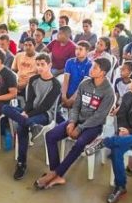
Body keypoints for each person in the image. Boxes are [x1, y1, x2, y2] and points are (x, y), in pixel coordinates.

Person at [86, 69, 132, 203]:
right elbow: (121, 116)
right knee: (116, 151)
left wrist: (130, 132)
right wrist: (123, 129)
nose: (130, 85)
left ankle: (106, 141)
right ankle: (120, 186)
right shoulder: (128, 96)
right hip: (124, 135)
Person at [38, 58, 114, 189]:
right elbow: (76, 105)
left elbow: (99, 116)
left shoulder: (108, 92)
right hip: (77, 119)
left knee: (80, 143)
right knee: (50, 135)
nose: (91, 69)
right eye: (92, 67)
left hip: (94, 126)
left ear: (103, 73)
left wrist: (80, 128)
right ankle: (56, 172)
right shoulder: (85, 83)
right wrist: (72, 122)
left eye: (95, 68)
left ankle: (55, 174)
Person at [2, 53, 61, 180]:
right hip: (30, 112)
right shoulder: (34, 79)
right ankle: (32, 125)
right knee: (5, 108)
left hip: (45, 115)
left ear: (49, 65)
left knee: (21, 127)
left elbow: (45, 106)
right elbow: (30, 101)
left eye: (42, 65)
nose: (39, 67)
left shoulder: (55, 84)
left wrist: (27, 115)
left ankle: (21, 163)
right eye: (38, 65)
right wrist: (25, 113)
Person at [61, 41, 92, 109]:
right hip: (68, 92)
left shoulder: (90, 65)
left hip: (80, 94)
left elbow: (83, 85)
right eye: (76, 49)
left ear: (87, 51)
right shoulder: (70, 62)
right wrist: (63, 96)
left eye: (80, 49)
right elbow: (66, 80)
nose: (77, 51)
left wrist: (72, 99)